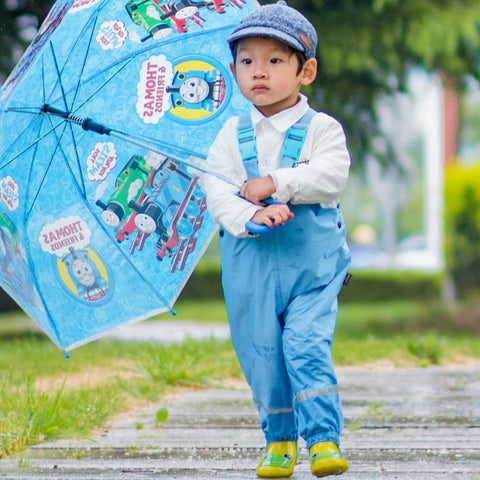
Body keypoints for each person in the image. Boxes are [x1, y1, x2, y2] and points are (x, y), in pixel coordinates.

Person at [200, 1, 351, 477]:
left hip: (313, 266)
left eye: (274, 60)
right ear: (233, 70)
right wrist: (251, 215)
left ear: (306, 71)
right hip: (251, 266)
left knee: (304, 343)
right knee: (262, 352)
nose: (258, 72)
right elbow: (217, 191)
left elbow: (331, 177)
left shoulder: (322, 130)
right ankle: (280, 439)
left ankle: (323, 439)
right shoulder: (228, 135)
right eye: (247, 61)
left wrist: (277, 184)